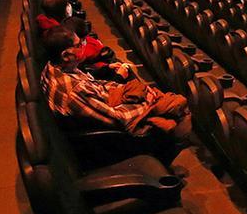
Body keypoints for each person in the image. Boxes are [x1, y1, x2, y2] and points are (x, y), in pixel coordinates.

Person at [39, 26, 191, 139]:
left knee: (148, 92)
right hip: (111, 136)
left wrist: (126, 88)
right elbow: (118, 119)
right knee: (177, 107)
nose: (84, 46)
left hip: (108, 101)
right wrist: (148, 102)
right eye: (79, 45)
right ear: (66, 55)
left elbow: (95, 84)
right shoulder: (74, 90)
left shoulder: (52, 68)